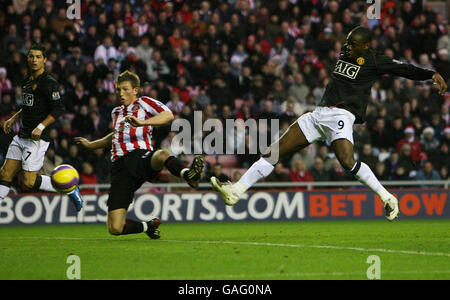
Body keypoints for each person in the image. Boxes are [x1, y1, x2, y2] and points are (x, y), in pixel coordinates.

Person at [211, 26, 448, 221]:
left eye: (352, 44)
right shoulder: (346, 53)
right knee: (274, 152)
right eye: (347, 42)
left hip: (342, 116)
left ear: (364, 46)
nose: (347, 46)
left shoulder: (375, 59)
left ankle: (387, 197)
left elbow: (403, 69)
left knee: (347, 162)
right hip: (318, 114)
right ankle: (236, 191)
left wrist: (430, 75)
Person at [74, 71, 204, 239]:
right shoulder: (116, 112)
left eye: (125, 89)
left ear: (135, 90)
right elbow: (116, 135)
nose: (120, 93)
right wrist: (91, 144)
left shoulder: (144, 102)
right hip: (120, 169)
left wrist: (144, 122)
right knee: (115, 228)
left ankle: (189, 175)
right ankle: (147, 226)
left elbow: (168, 115)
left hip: (139, 156)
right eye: (118, 89)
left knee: (162, 155)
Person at [0, 44, 83, 211]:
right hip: (22, 135)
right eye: (31, 56)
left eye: (38, 57)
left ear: (44, 60)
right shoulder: (28, 80)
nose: (34, 60)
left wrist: (41, 126)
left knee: (29, 181)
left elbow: (59, 108)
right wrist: (13, 118)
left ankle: (69, 188)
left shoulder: (49, 82)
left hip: (36, 139)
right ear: (27, 58)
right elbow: (28, 105)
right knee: (4, 173)